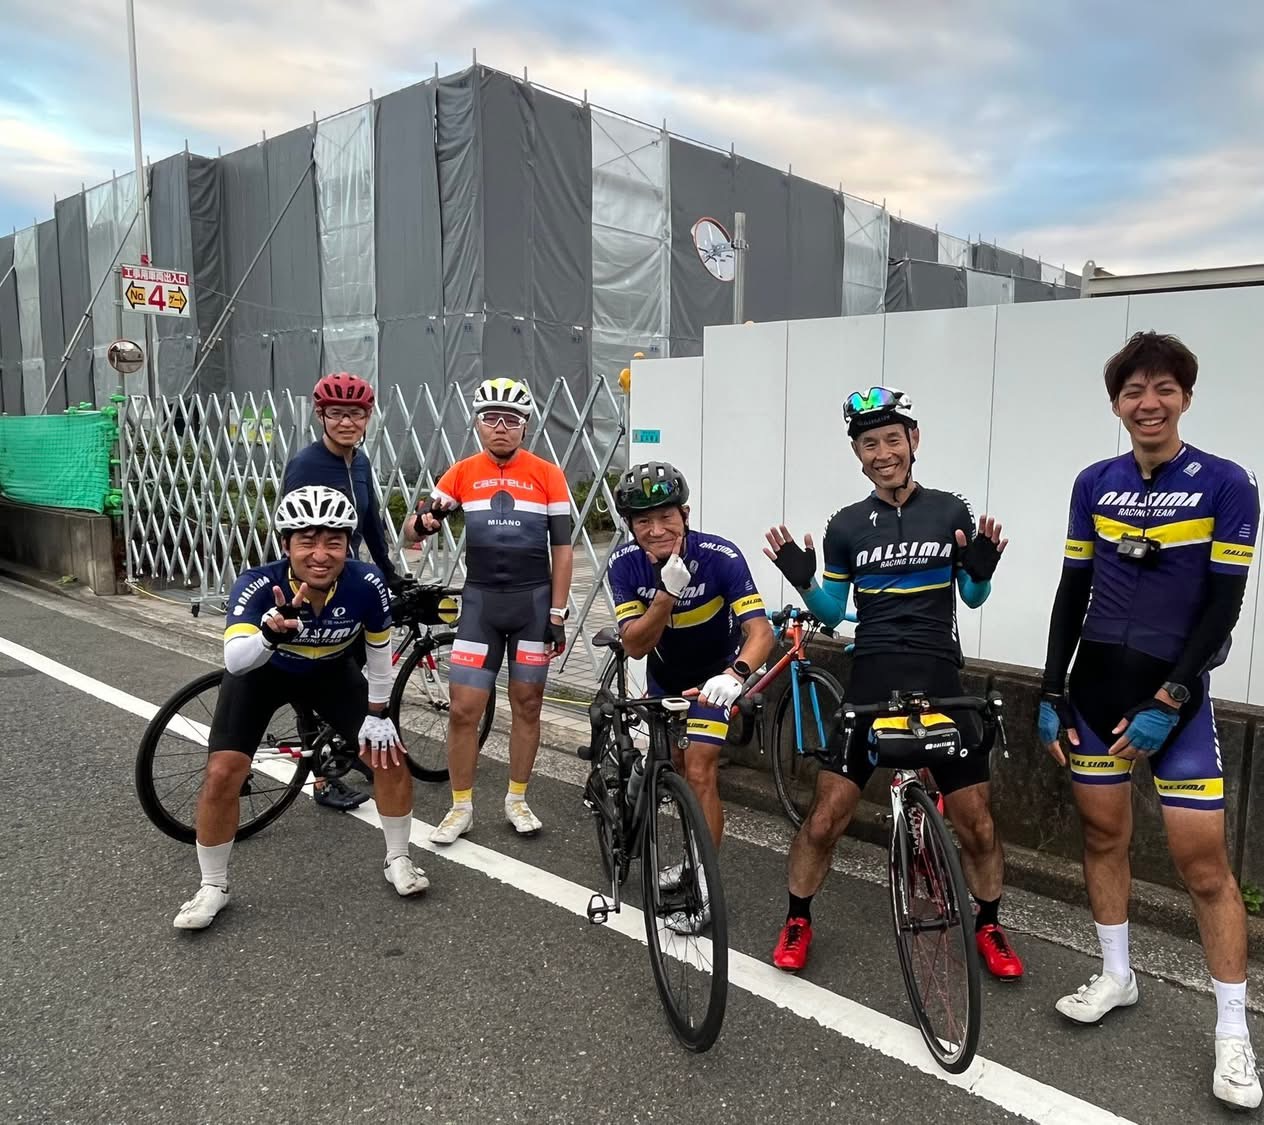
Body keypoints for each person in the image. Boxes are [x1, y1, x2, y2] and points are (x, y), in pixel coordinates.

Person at [1038, 331, 1262, 1110]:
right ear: (1117, 404)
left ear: (1185, 397)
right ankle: (1116, 974)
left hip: (1176, 702)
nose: (1149, 402)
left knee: (1203, 867)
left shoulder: (1227, 483)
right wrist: (1050, 690)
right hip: (1096, 690)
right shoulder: (1093, 483)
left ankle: (1232, 1033)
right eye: (1134, 390)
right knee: (1103, 837)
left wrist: (1171, 697)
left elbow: (1224, 606)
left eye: (1164, 388)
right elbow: (1072, 590)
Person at [763, 386, 1024, 980]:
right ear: (857, 454)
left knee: (978, 824)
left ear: (913, 440)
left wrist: (983, 572)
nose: (882, 453)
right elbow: (833, 613)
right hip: (873, 676)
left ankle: (988, 923)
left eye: (891, 440)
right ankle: (798, 918)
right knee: (826, 818)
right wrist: (804, 582)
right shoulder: (846, 525)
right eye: (868, 444)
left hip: (939, 673)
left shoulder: (950, 511)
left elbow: (972, 597)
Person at [172, 485, 427, 931]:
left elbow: (379, 651)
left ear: (347, 545)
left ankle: (398, 858)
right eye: (307, 541)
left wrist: (378, 712)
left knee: (389, 757)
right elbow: (235, 661)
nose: (321, 555)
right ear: (286, 544)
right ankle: (213, 886)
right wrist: (270, 636)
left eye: (334, 542)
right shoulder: (257, 584)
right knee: (223, 772)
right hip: (263, 671)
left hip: (331, 672)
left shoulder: (366, 583)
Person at [605, 461, 776, 933]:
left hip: (713, 680)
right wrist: (665, 594)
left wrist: (737, 674)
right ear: (630, 525)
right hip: (664, 680)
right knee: (677, 766)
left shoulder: (720, 556)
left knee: (700, 770)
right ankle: (654, 798)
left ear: (685, 514)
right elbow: (635, 645)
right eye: (643, 521)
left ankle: (701, 883)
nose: (657, 530)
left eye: (667, 517)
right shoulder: (624, 564)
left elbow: (761, 632)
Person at [403, 377, 574, 841]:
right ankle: (461, 807)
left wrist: (557, 613)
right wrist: (424, 522)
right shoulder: (461, 473)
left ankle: (517, 798)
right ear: (478, 424)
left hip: (532, 605)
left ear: (525, 427)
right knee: (463, 709)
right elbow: (411, 533)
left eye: (511, 420)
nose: (501, 427)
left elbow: (562, 550)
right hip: (482, 605)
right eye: (491, 418)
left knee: (528, 705)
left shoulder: (547, 474)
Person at [282, 371, 401, 811]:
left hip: (349, 581)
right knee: (317, 674)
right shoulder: (307, 464)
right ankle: (322, 779)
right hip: (313, 581)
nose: (346, 422)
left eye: (355, 414)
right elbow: (292, 531)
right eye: (336, 413)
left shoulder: (360, 462)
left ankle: (353, 740)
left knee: (352, 666)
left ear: (368, 417)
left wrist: (388, 573)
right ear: (321, 415)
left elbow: (370, 523)